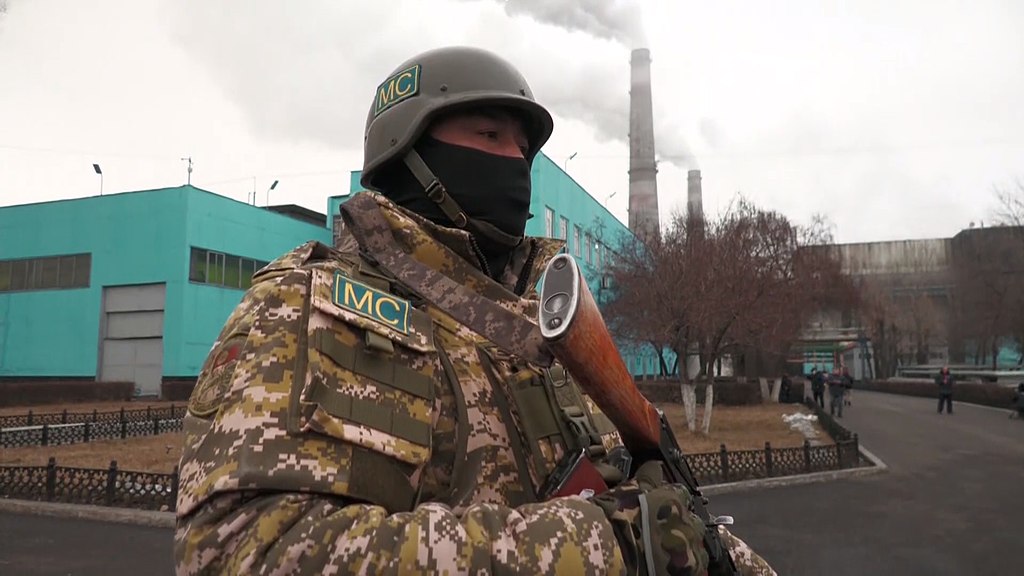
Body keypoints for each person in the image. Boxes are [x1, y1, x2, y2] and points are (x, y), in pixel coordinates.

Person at [173, 46, 776, 576]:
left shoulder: (542, 325)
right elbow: (242, 552)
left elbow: (623, 496)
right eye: (490, 137)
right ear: (411, 155)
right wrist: (603, 543)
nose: (515, 161)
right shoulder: (304, 310)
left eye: (524, 148)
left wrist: (703, 546)